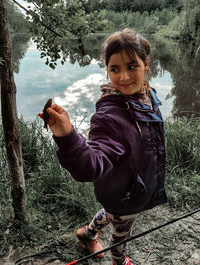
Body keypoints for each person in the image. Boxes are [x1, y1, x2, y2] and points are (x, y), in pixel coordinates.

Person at [39, 29, 167, 265]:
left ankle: (86, 234)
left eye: (131, 66)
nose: (124, 77)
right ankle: (119, 260)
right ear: (107, 69)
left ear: (146, 64)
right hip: (126, 195)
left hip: (129, 188)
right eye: (114, 69)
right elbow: (91, 164)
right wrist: (67, 136)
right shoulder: (110, 117)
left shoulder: (147, 95)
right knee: (121, 232)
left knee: (112, 214)